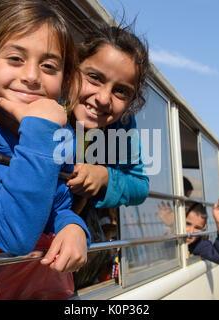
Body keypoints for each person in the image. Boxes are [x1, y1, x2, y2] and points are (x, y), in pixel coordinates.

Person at [0, 0, 90, 274]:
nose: (32, 76)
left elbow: (57, 204)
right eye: (15, 59)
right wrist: (40, 131)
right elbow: (13, 237)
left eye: (48, 66)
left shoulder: (58, 137)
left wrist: (72, 226)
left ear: (64, 80)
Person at [64, 23, 151, 288]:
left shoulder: (121, 124)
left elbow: (139, 185)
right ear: (72, 69)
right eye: (94, 77)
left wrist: (105, 177)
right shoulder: (44, 99)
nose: (103, 98)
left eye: (121, 91)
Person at [185, 198, 219, 264]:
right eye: (187, 224)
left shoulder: (198, 245)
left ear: (203, 230)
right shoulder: (169, 239)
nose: (191, 232)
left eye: (197, 228)